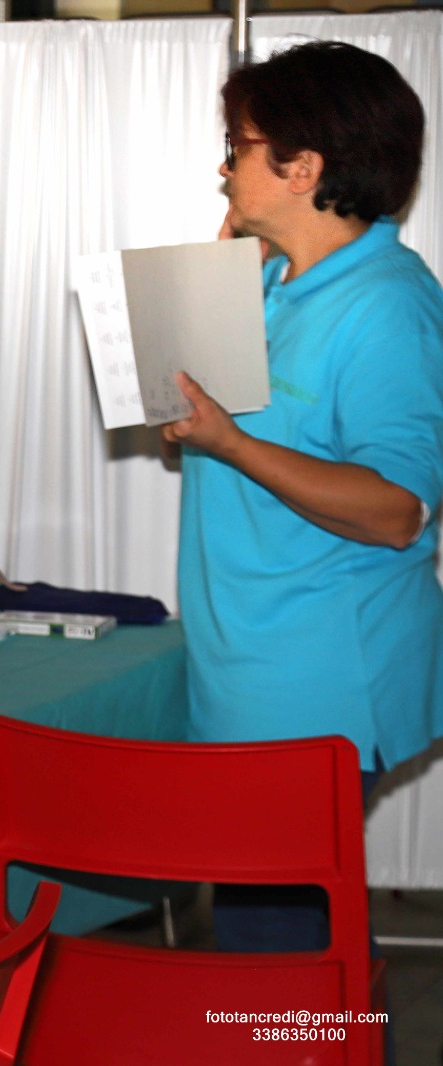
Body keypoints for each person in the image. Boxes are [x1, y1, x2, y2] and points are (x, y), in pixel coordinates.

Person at [166, 41, 443, 954]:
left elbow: (397, 509)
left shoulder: (386, 304)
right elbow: (213, 420)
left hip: (317, 678)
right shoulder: (272, 280)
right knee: (293, 943)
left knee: (278, 952)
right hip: (249, 664)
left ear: (304, 167)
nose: (225, 168)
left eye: (239, 146)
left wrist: (231, 443)